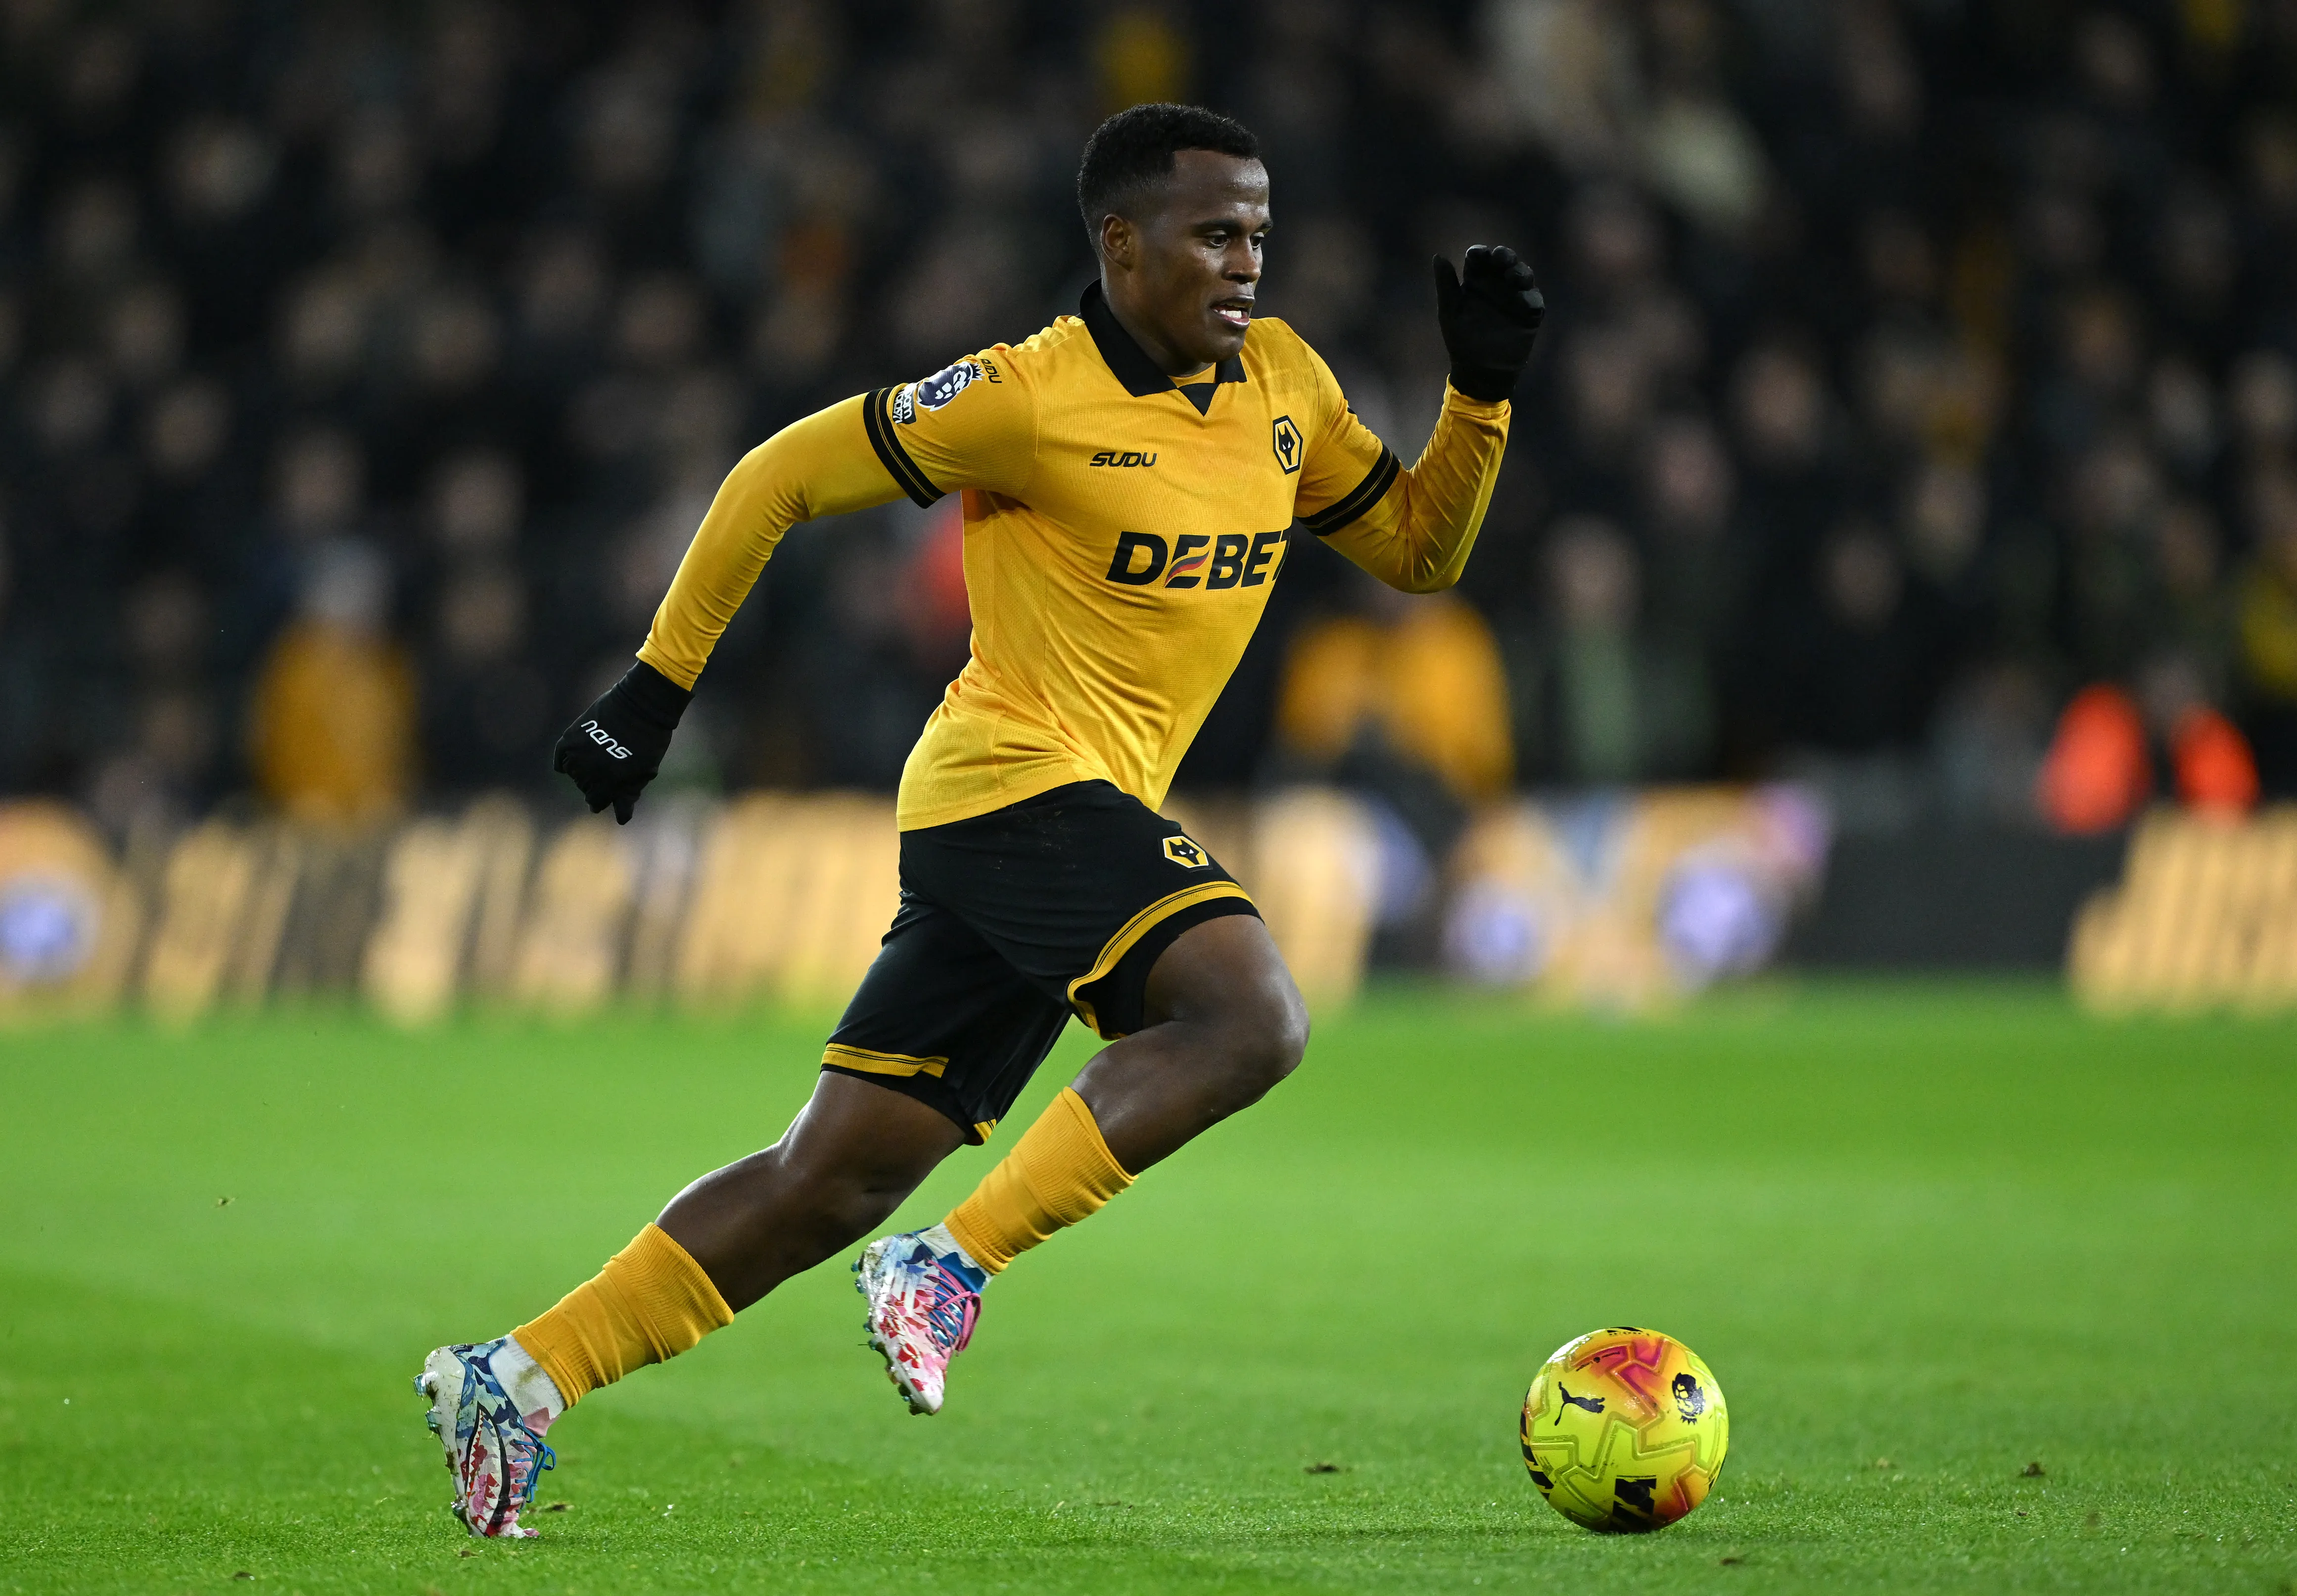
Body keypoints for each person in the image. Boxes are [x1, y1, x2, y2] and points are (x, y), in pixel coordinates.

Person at [413, 102, 1543, 1539]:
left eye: (1259, 231)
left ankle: (515, 1376)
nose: (1246, 261)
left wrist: (1482, 400)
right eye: (1214, 233)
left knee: (828, 1182)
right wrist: (655, 687)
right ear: (1121, 246)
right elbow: (775, 477)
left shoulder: (1287, 386)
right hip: (1009, 787)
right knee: (1251, 1018)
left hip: (1059, 827)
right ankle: (950, 1269)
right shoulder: (1021, 396)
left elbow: (1418, 552)